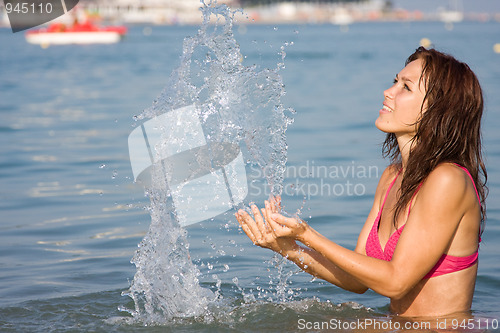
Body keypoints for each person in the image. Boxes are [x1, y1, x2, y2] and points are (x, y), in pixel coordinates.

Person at [235, 47, 487, 317]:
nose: (388, 92)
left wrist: (308, 235)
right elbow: (356, 281)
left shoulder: (448, 180)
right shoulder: (392, 177)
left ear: (438, 109)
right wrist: (288, 248)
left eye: (406, 87)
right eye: (395, 81)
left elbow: (395, 282)